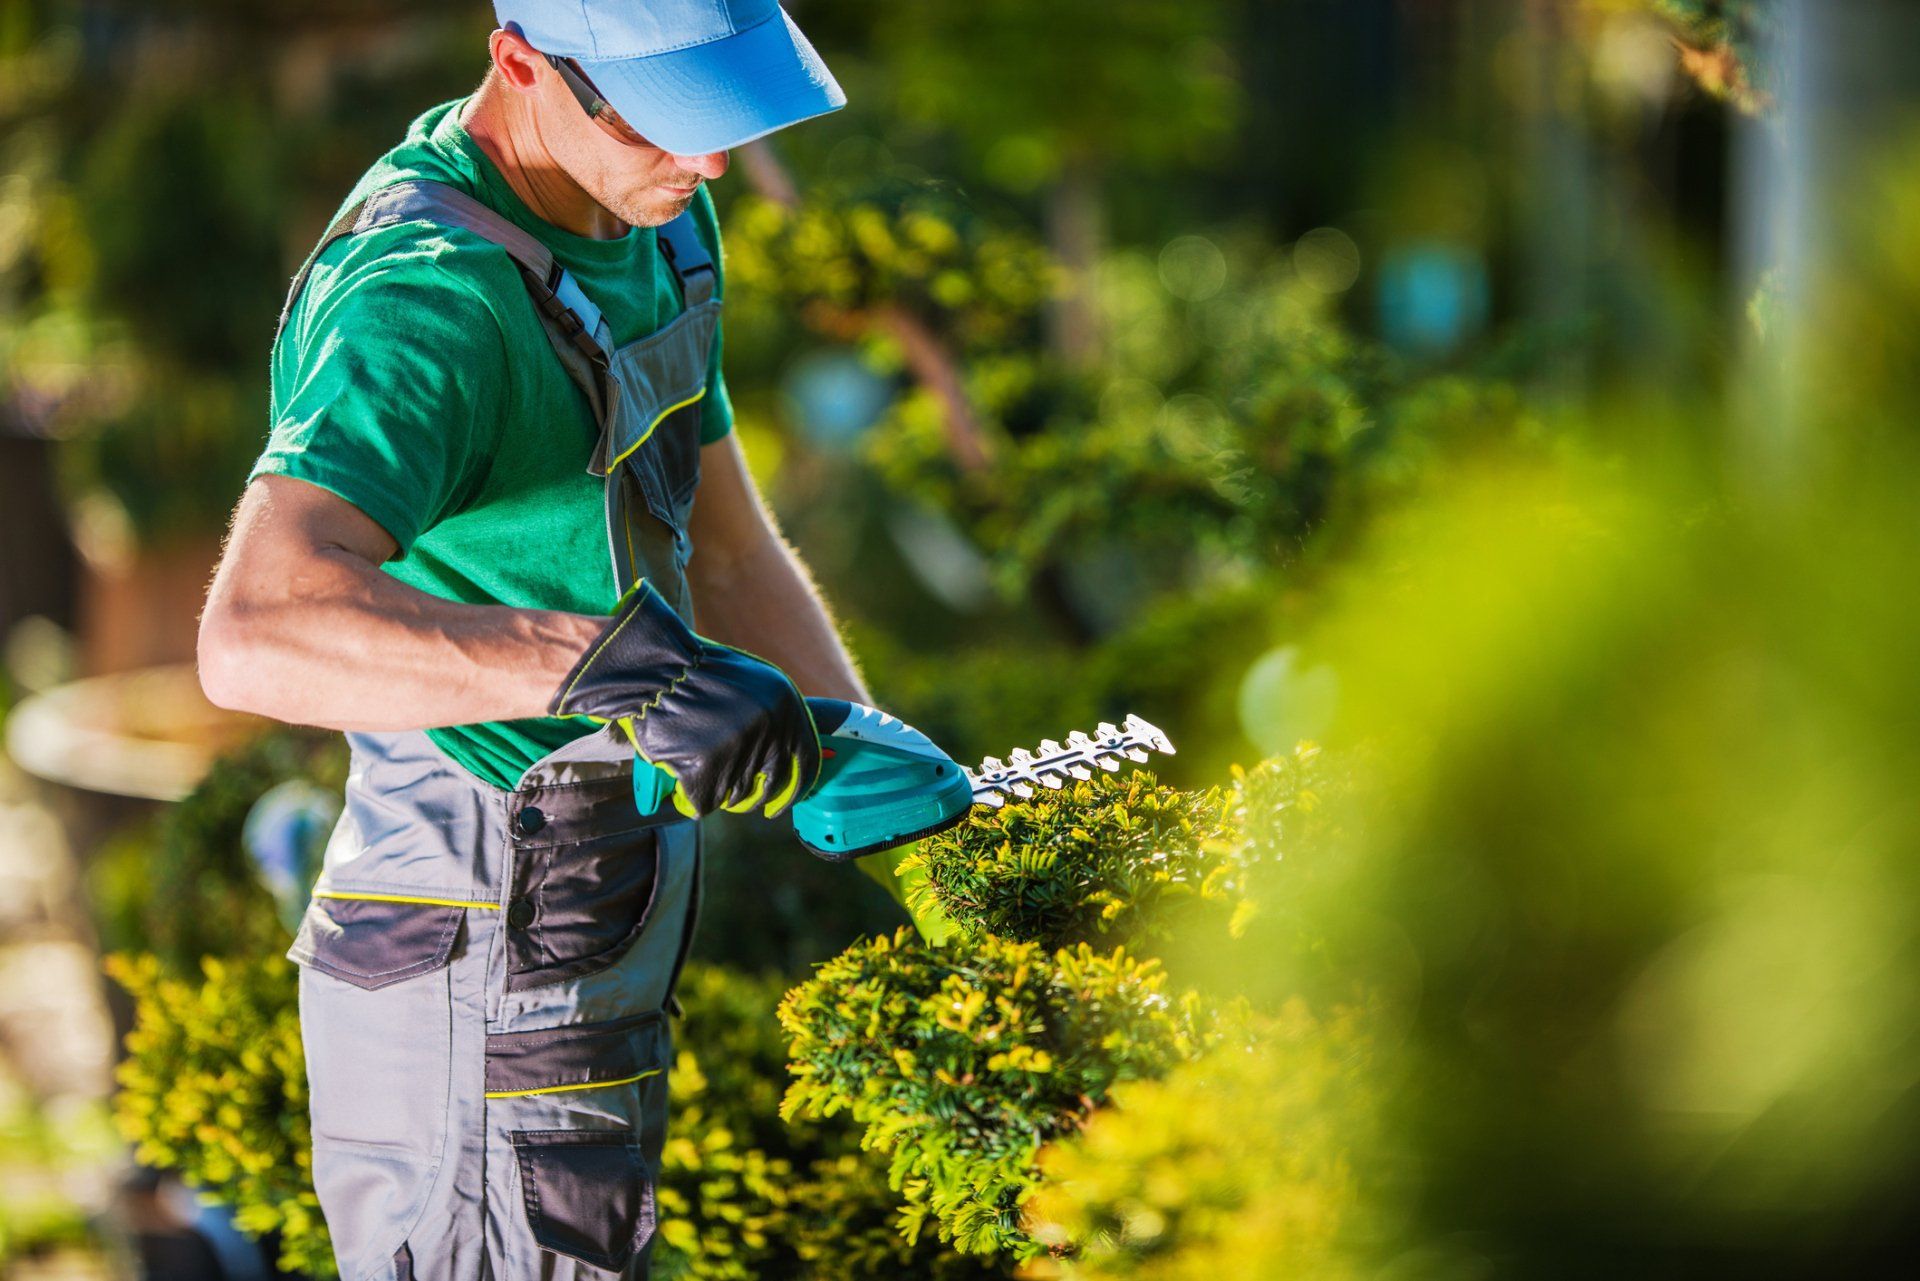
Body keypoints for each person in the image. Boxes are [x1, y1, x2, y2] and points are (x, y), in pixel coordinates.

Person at [195, 3, 861, 1276]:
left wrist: (849, 747)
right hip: (477, 907)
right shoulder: (430, 305)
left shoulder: (644, 207)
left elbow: (722, 546)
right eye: (672, 116)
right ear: (517, 64)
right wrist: (616, 668)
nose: (710, 161)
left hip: (607, 878)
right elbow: (256, 629)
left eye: (724, 113)